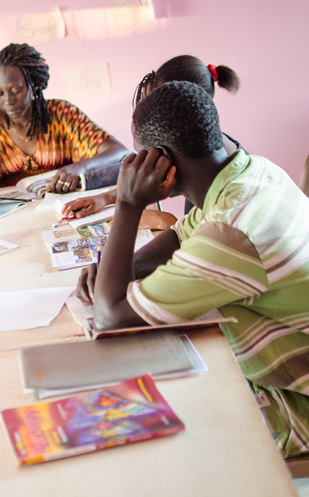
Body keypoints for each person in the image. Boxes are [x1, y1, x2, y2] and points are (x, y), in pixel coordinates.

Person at [77, 81, 309, 459]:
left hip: (297, 407)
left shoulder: (231, 233)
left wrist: (127, 203)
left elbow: (109, 317)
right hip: (280, 371)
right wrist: (118, 271)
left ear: (162, 162)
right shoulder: (250, 173)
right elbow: (179, 237)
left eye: (140, 158)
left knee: (156, 445)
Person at [61, 55, 242, 226]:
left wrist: (162, 219)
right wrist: (106, 198)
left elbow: (202, 239)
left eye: (158, 108)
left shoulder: (219, 182)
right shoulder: (205, 149)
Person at [0, 43, 128, 215]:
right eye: (0, 93)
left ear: (33, 84)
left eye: (16, 90)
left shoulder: (61, 114)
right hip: (11, 219)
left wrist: (79, 168)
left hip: (64, 211)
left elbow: (118, 151)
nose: (8, 100)